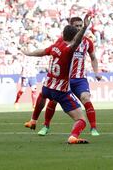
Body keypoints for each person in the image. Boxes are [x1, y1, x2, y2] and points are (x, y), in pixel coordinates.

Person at [21, 13, 92, 144]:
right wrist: (84, 28)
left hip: (48, 86)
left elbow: (41, 52)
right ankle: (73, 136)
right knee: (81, 119)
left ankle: (33, 120)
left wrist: (28, 53)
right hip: (61, 90)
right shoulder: (68, 50)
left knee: (42, 95)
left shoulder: (55, 46)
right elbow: (77, 41)